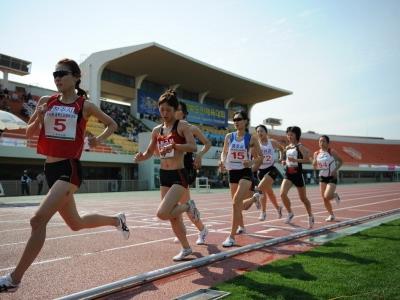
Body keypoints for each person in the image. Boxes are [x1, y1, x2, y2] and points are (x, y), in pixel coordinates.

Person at [0, 59, 130, 293]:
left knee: (37, 220)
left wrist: (97, 140)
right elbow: (31, 133)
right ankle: (116, 220)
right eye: (55, 74)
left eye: (62, 73)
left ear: (76, 78)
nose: (57, 78)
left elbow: (112, 124)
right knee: (75, 223)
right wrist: (39, 116)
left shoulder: (84, 105)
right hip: (49, 169)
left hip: (69, 168)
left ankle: (14, 279)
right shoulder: (45, 101)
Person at [134, 89, 200, 261]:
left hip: (179, 174)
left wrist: (175, 147)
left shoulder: (182, 126)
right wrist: (141, 157)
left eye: (168, 110)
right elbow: (150, 152)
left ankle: (188, 206)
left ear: (175, 109)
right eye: (161, 110)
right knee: (173, 217)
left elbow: (193, 147)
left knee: (162, 213)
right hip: (164, 175)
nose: (164, 113)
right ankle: (186, 248)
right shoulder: (156, 130)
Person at [219, 111, 263, 247]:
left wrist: (250, 163)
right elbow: (224, 152)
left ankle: (231, 237)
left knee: (236, 202)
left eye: (239, 119)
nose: (236, 122)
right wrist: (222, 161)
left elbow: (260, 157)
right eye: (234, 120)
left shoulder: (251, 139)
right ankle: (243, 224)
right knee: (239, 205)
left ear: (245, 121)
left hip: (245, 172)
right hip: (232, 172)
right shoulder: (229, 137)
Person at [173, 101, 211, 245]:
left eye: (178, 110)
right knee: (174, 204)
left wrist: (200, 155)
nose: (175, 112)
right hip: (171, 168)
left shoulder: (191, 128)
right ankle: (181, 230)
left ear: (184, 113)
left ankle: (202, 229)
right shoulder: (169, 129)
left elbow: (207, 143)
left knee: (185, 203)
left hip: (185, 168)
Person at [280, 126, 314, 228]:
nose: (289, 136)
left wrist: (296, 161)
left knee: (303, 199)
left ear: (297, 135)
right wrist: (283, 161)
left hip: (298, 175)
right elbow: (285, 159)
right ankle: (290, 213)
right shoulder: (287, 147)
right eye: (288, 134)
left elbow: (307, 159)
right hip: (288, 174)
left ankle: (310, 215)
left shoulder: (300, 146)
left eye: (292, 134)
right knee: (282, 194)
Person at [251, 124, 284, 221]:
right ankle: (278, 208)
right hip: (261, 171)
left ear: (266, 132)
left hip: (271, 169)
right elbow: (254, 158)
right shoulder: (256, 145)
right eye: (258, 132)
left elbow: (281, 149)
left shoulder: (272, 142)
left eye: (261, 131)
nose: (259, 133)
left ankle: (262, 210)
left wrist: (281, 158)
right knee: (268, 193)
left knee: (260, 189)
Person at [312, 135, 343, 221]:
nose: (321, 143)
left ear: (328, 143)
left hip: (331, 177)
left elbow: (341, 161)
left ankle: (335, 195)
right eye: (320, 141)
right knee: (324, 199)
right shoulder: (316, 153)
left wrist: (335, 170)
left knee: (327, 196)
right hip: (322, 177)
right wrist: (314, 163)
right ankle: (331, 215)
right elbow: (314, 166)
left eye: (323, 141)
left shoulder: (331, 152)